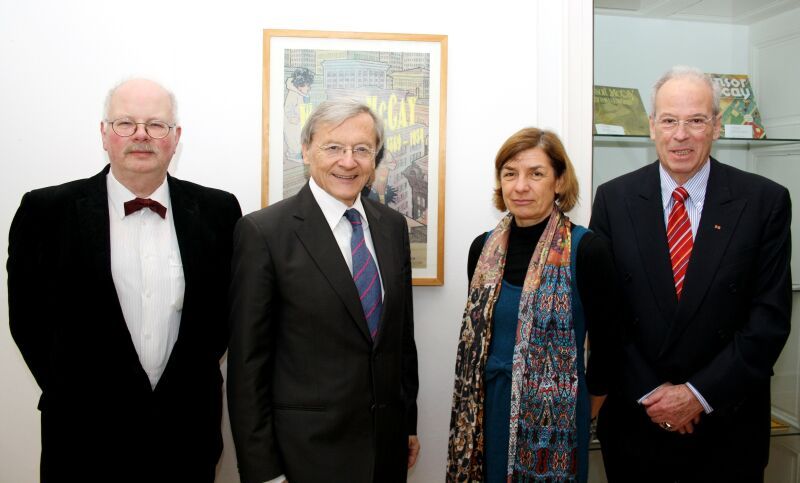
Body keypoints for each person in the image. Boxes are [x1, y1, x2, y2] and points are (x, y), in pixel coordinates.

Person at [7, 78, 242, 482]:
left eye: (156, 125)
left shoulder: (220, 210)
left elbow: (225, 317)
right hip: (82, 441)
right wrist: (76, 390)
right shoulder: (46, 211)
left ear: (175, 137)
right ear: (104, 133)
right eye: (125, 123)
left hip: (186, 440)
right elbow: (27, 321)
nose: (141, 136)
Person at [590, 65, 792, 482]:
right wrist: (656, 398)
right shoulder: (614, 199)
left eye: (696, 120)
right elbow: (605, 315)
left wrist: (697, 396)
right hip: (637, 423)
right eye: (669, 120)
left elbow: (768, 319)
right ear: (652, 126)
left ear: (716, 126)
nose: (681, 134)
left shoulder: (764, 202)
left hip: (726, 425)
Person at [227, 99, 420, 483]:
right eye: (333, 147)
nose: (348, 162)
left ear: (375, 157)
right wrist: (263, 470)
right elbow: (247, 366)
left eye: (362, 149)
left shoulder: (392, 226)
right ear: (306, 150)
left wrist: (408, 423)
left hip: (384, 451)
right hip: (305, 457)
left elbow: (401, 341)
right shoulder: (265, 233)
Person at [447, 128, 617, 482]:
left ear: (558, 181)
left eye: (535, 174)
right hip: (485, 408)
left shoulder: (586, 249)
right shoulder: (482, 250)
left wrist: (582, 409)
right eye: (510, 174)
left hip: (555, 417)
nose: (520, 186)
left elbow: (608, 345)